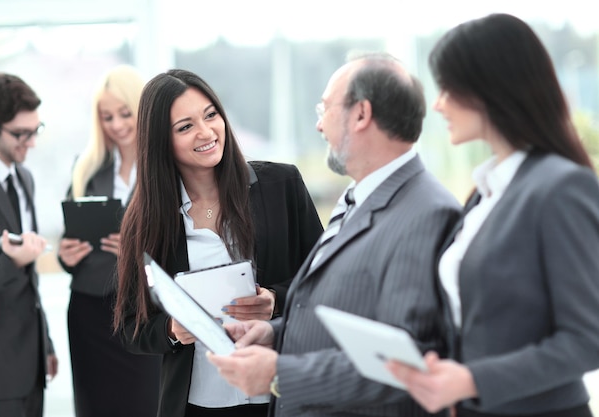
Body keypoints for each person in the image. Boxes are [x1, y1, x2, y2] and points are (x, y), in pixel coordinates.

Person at [207, 52, 462, 417]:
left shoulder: (426, 213)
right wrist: (277, 335)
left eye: (324, 109)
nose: (319, 125)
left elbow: (405, 363)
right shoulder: (358, 196)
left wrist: (281, 373)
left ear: (361, 114)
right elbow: (349, 315)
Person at [388, 13, 599, 417]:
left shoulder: (561, 187)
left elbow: (587, 339)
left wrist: (471, 380)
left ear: (489, 88)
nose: (438, 103)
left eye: (448, 87)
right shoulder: (486, 191)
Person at [112, 68, 324, 417]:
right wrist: (172, 329)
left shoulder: (281, 185)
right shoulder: (146, 219)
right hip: (199, 403)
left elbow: (326, 281)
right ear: (160, 141)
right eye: (185, 127)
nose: (206, 132)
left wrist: (275, 301)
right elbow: (130, 326)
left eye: (211, 115)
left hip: (279, 396)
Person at [57, 65, 161, 417]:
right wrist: (65, 255)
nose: (116, 124)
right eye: (107, 117)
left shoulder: (164, 168)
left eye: (124, 113)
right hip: (88, 308)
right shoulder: (84, 167)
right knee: (94, 406)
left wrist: (137, 252)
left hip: (141, 309)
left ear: (141, 109)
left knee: (146, 404)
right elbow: (68, 237)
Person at [0, 73, 58, 417]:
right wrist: (14, 261)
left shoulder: (24, 177)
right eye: (21, 134)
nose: (32, 142)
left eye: (36, 130)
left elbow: (30, 281)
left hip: (30, 361)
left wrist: (45, 344)